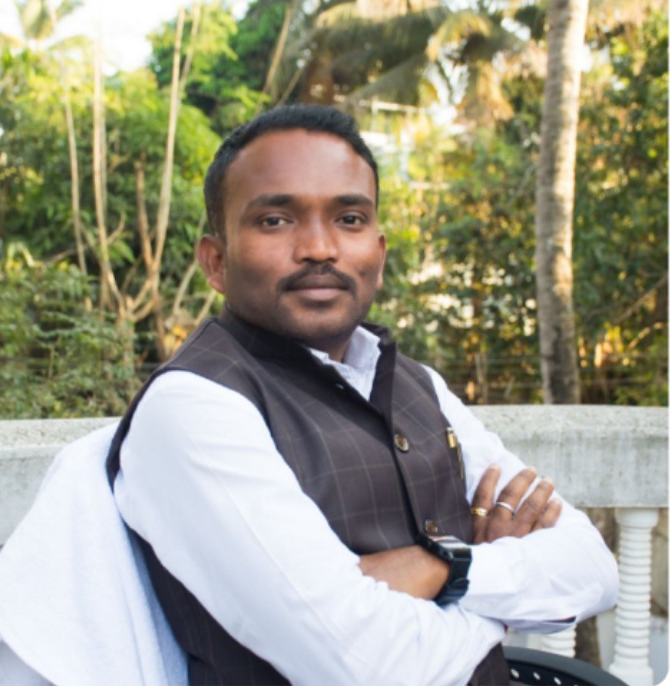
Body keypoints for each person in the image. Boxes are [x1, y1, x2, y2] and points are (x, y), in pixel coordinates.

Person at [106, 104, 617, 686]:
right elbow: (369, 667)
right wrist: (503, 599)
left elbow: (592, 568)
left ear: (379, 252)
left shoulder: (418, 385)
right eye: (275, 220)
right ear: (216, 261)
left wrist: (442, 569)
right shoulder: (195, 408)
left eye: (349, 218)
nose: (319, 248)